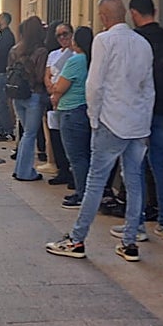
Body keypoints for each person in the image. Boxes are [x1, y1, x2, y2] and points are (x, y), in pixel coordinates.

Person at [46, 0, 154, 261]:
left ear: (104, 17)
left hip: (110, 122)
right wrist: (145, 123)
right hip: (137, 124)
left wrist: (94, 119)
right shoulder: (142, 43)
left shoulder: (104, 41)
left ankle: (77, 239)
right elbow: (148, 88)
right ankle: (130, 242)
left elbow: (94, 85)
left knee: (95, 181)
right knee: (134, 181)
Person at [129, 0, 163, 239]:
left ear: (133, 13)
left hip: (140, 111)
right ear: (154, 11)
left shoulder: (135, 39)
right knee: (161, 164)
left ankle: (137, 225)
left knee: (136, 166)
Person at [52, 26, 93, 210]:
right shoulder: (92, 59)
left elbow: (60, 86)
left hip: (70, 111)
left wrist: (55, 94)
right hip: (84, 109)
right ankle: (85, 191)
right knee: (84, 154)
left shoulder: (75, 60)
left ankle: (82, 193)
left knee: (76, 156)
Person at [7, 16, 49, 181]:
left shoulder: (14, 50)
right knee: (30, 135)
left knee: (26, 133)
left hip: (17, 94)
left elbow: (9, 69)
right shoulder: (41, 51)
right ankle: (25, 172)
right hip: (34, 95)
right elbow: (40, 76)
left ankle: (20, 169)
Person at [44, 22, 75, 188]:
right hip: (53, 98)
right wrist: (51, 88)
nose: (62, 38)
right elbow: (47, 74)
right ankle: (61, 170)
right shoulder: (53, 54)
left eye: (65, 34)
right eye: (59, 35)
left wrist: (57, 92)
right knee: (55, 136)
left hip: (67, 99)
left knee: (69, 139)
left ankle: (72, 173)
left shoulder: (75, 54)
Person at [0, 12, 16, 141]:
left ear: (4, 20)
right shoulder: (1, 36)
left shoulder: (7, 37)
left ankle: (6, 130)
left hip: (2, 73)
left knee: (0, 104)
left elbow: (0, 53)